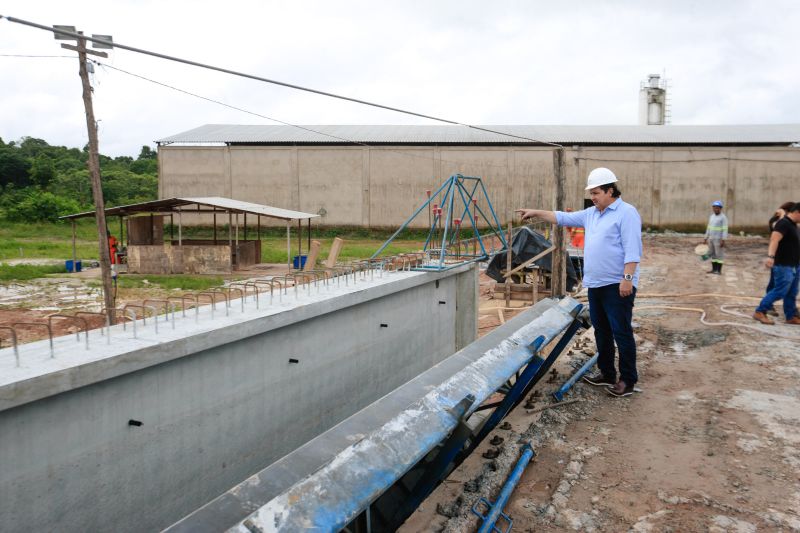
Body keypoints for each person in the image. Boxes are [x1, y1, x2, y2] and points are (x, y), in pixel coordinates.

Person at [516, 167, 642, 397]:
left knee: (621, 332)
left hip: (616, 284)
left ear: (610, 190)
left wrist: (627, 279)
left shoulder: (627, 213)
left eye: (596, 192)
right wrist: (536, 212)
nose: (592, 197)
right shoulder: (592, 213)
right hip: (595, 284)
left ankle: (628, 380)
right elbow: (561, 217)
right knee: (601, 331)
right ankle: (607, 373)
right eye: (591, 193)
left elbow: (633, 250)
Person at [753, 202, 800, 325]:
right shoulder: (783, 223)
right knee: (780, 291)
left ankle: (790, 316)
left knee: (792, 292)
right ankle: (760, 311)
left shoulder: (794, 225)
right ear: (797, 213)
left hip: (794, 265)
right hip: (784, 265)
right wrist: (770, 256)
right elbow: (774, 239)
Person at [764, 201, 795, 315]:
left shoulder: (792, 223)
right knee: (775, 282)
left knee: (792, 285)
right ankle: (766, 307)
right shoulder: (777, 221)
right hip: (779, 257)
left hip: (792, 258)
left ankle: (791, 311)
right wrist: (782, 215)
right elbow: (776, 229)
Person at [703, 200, 728, 275]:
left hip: (718, 240)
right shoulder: (712, 217)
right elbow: (708, 228)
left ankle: (719, 271)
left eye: (717, 208)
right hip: (711, 239)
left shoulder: (723, 218)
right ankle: (714, 270)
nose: (716, 209)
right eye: (714, 208)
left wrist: (723, 240)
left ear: (720, 209)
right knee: (713, 255)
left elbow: (725, 229)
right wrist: (705, 238)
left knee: (719, 255)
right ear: (713, 208)